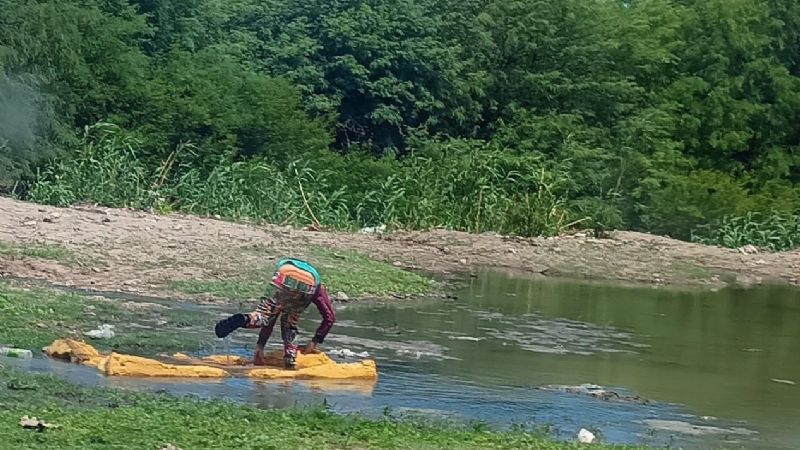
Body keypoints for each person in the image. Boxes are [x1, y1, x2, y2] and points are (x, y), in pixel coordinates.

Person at [214, 258, 335, 369]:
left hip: (284, 273)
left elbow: (271, 318)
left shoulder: (287, 266)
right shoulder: (319, 289)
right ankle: (290, 360)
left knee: (265, 314)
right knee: (289, 324)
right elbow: (329, 317)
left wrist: (260, 346)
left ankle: (243, 318)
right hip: (309, 283)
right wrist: (315, 341)